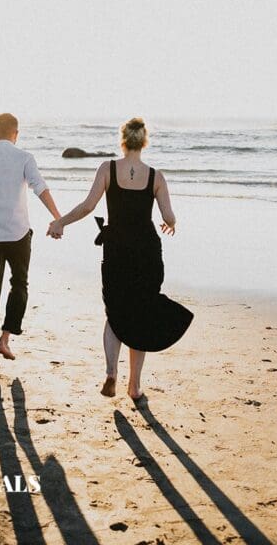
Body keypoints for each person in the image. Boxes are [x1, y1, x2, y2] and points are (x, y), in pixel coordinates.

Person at [47, 117, 193, 401]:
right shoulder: (156, 177)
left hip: (116, 251)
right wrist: (172, 223)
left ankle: (111, 372)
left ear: (123, 140)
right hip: (147, 253)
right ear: (145, 141)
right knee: (142, 313)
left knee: (115, 312)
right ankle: (134, 386)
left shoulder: (108, 169)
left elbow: (88, 206)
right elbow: (168, 216)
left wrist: (61, 222)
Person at [0, 112, 61, 383]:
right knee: (20, 285)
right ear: (16, 134)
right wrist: (57, 217)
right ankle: (5, 338)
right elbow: (41, 188)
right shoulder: (24, 158)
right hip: (18, 237)